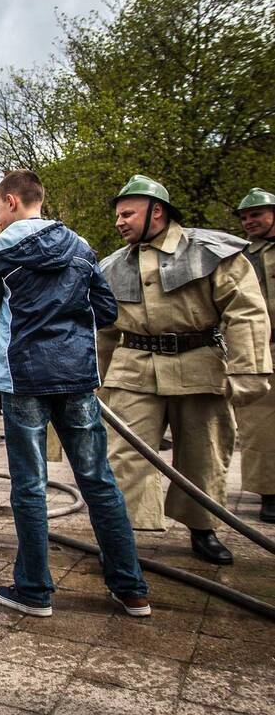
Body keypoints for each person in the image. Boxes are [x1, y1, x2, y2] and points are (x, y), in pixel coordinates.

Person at [0, 168, 150, 619]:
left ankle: (35, 590)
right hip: (77, 376)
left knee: (29, 485)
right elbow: (106, 310)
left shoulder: (0, 251)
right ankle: (131, 588)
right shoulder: (81, 247)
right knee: (99, 481)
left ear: (12, 202)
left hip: (24, 379)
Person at [98, 175, 272, 563]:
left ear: (156, 211)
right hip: (133, 369)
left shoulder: (212, 250)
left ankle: (202, 528)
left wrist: (248, 369)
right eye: (118, 216)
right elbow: (104, 330)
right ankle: (120, 538)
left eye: (128, 214)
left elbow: (244, 311)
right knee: (124, 454)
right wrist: (96, 381)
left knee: (203, 452)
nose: (119, 222)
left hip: (198, 363)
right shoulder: (111, 266)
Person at [234, 188, 275, 522]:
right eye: (245, 217)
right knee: (260, 423)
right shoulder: (243, 255)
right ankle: (269, 491)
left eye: (256, 214)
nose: (249, 221)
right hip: (262, 346)